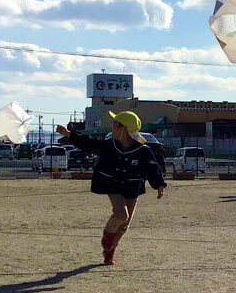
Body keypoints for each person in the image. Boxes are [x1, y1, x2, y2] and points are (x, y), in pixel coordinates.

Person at [55, 111, 166, 265]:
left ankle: (109, 252)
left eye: (115, 124)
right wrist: (68, 134)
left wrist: (159, 184)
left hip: (133, 188)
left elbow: (152, 169)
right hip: (113, 185)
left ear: (124, 128)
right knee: (121, 215)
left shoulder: (143, 151)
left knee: (124, 226)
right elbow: (89, 144)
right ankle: (106, 242)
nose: (112, 128)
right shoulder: (109, 145)